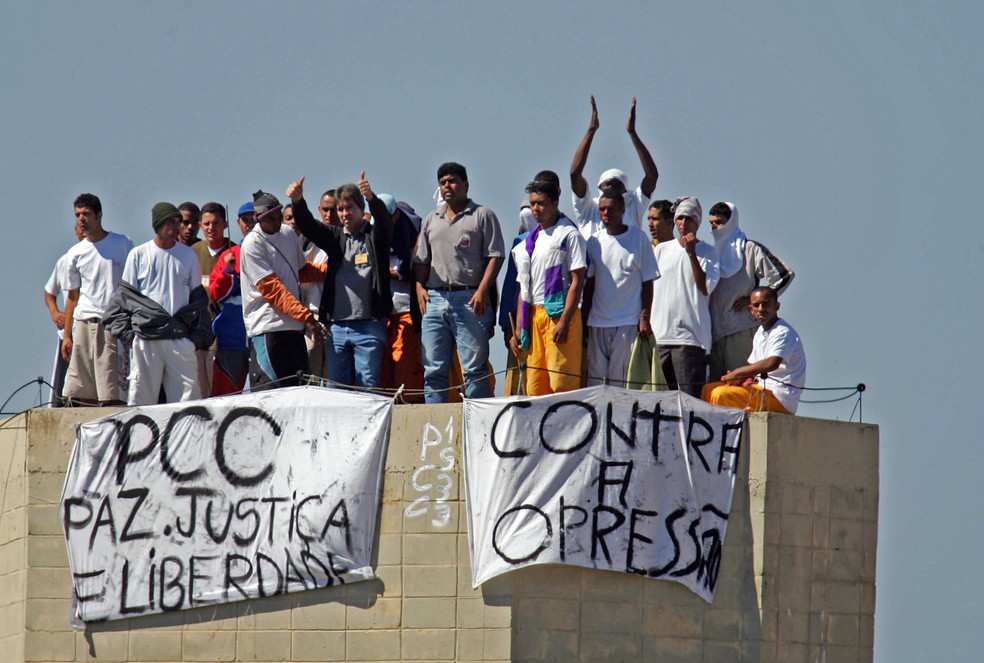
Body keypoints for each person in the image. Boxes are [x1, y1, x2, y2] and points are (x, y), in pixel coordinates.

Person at [288, 173, 393, 388]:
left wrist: (372, 197)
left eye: (350, 208)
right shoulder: (335, 237)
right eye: (341, 209)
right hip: (336, 327)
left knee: (368, 386)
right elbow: (309, 226)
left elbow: (384, 221)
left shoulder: (375, 237)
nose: (345, 214)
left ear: (361, 209)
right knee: (337, 389)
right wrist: (298, 202)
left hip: (369, 325)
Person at [103, 202, 213, 405]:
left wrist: (195, 340)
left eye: (178, 222)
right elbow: (122, 301)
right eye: (171, 222)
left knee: (188, 402)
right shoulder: (138, 255)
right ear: (158, 224)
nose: (176, 227)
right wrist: (131, 336)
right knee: (141, 403)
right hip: (146, 342)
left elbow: (198, 302)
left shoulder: (188, 255)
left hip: (179, 340)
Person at [414, 162, 505, 403]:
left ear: (465, 184)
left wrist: (483, 290)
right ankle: (435, 425)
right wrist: (419, 287)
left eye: (453, 181)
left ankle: (480, 423)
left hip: (469, 299)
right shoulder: (431, 219)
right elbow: (421, 260)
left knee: (474, 370)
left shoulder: (482, 215)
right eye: (443, 182)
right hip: (435, 300)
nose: (447, 186)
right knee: (433, 371)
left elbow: (496, 256)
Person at [240, 189, 328, 391]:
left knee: (298, 390)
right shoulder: (252, 244)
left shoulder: (288, 233)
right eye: (270, 219)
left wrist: (330, 271)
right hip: (267, 328)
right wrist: (307, 317)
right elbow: (273, 291)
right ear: (257, 218)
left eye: (279, 216)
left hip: (294, 328)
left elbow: (301, 271)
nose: (277, 222)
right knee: (270, 393)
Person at [508, 176, 586, 395]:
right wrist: (517, 330)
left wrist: (564, 321)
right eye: (533, 203)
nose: (535, 209)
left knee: (562, 384)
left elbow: (577, 282)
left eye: (541, 203)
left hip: (560, 314)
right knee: (534, 387)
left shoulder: (569, 235)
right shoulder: (528, 243)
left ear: (554, 203)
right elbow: (525, 288)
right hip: (533, 317)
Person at [706, 202, 795, 382]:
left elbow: (784, 275)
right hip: (714, 334)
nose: (714, 227)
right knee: (717, 390)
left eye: (719, 222)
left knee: (742, 385)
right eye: (711, 223)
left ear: (731, 222)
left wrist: (753, 300)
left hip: (741, 330)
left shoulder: (749, 249)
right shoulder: (710, 253)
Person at [583, 189, 660, 387]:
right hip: (597, 323)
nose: (606, 214)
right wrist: (583, 321)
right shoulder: (594, 241)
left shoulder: (638, 238)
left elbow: (647, 281)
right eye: (601, 210)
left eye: (611, 209)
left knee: (620, 382)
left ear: (622, 209)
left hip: (627, 322)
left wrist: (644, 317)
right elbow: (589, 284)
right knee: (595, 383)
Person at [62, 193, 133, 406]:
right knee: (81, 389)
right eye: (78, 214)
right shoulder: (74, 253)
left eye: (86, 214)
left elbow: (132, 286)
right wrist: (67, 335)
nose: (81, 219)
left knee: (112, 390)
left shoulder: (122, 243)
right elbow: (72, 296)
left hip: (111, 322)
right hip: (83, 321)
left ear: (99, 215)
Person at [649, 197, 720, 397]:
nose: (683, 223)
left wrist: (691, 254)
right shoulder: (662, 249)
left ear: (697, 223)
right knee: (660, 403)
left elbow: (704, 287)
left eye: (688, 219)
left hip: (690, 340)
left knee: (689, 402)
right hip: (660, 337)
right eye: (680, 218)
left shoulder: (709, 252)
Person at [702, 287, 806, 414]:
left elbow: (772, 363)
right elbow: (754, 367)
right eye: (756, 305)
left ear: (777, 306)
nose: (761, 309)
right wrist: (738, 378)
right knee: (708, 390)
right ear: (751, 310)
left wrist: (737, 373)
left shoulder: (783, 331)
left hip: (780, 397)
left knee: (720, 394)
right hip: (760, 389)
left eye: (766, 304)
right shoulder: (760, 332)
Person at [570, 96, 659, 237]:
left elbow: (652, 176)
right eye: (607, 183)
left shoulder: (633, 205)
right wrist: (591, 130)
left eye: (617, 184)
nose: (611, 186)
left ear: (625, 189)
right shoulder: (589, 208)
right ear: (599, 187)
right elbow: (575, 174)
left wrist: (633, 133)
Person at [378, 195, 424, 400]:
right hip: (382, 315)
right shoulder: (376, 236)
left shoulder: (411, 236)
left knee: (406, 369)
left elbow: (412, 271)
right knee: (383, 372)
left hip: (406, 312)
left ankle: (410, 411)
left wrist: (383, 271)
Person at [191, 202, 236, 396]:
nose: (211, 228)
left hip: (228, 333)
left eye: (216, 223)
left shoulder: (236, 251)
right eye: (207, 224)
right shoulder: (191, 252)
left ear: (225, 224)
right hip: (199, 332)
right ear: (200, 225)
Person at [43, 221, 84, 406]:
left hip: (92, 328)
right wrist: (55, 312)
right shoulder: (66, 260)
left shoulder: (104, 256)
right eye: (79, 227)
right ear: (75, 231)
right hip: (70, 333)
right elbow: (50, 292)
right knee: (64, 385)